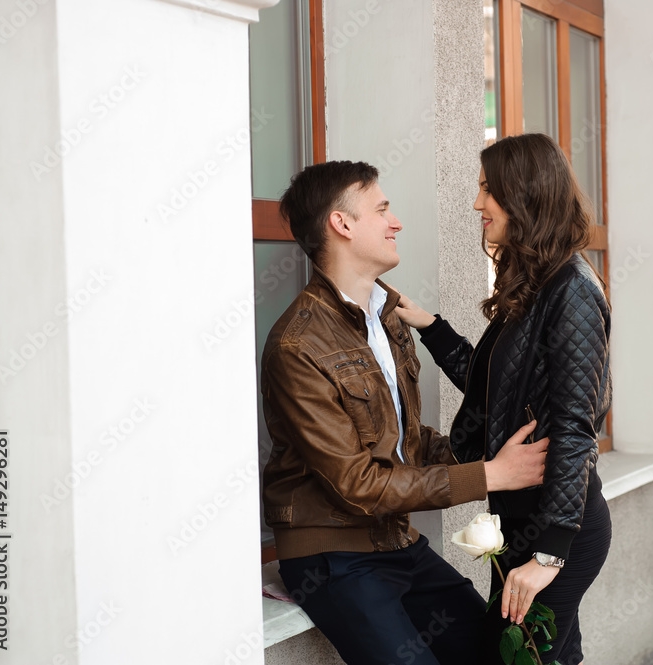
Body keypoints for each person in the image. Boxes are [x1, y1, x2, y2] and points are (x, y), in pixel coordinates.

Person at [260, 160, 550, 665]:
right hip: (332, 556)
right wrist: (488, 476)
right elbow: (357, 482)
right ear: (342, 224)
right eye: (382, 209)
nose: (396, 223)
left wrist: (482, 451)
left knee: (498, 653)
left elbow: (403, 438)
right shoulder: (297, 343)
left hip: (394, 540)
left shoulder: (385, 317)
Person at [396, 133, 612, 665]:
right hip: (522, 522)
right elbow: (498, 388)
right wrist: (431, 326)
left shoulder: (573, 291)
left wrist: (549, 554)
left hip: (561, 529)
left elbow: (574, 428)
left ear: (524, 194)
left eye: (488, 190)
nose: (477, 204)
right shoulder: (538, 284)